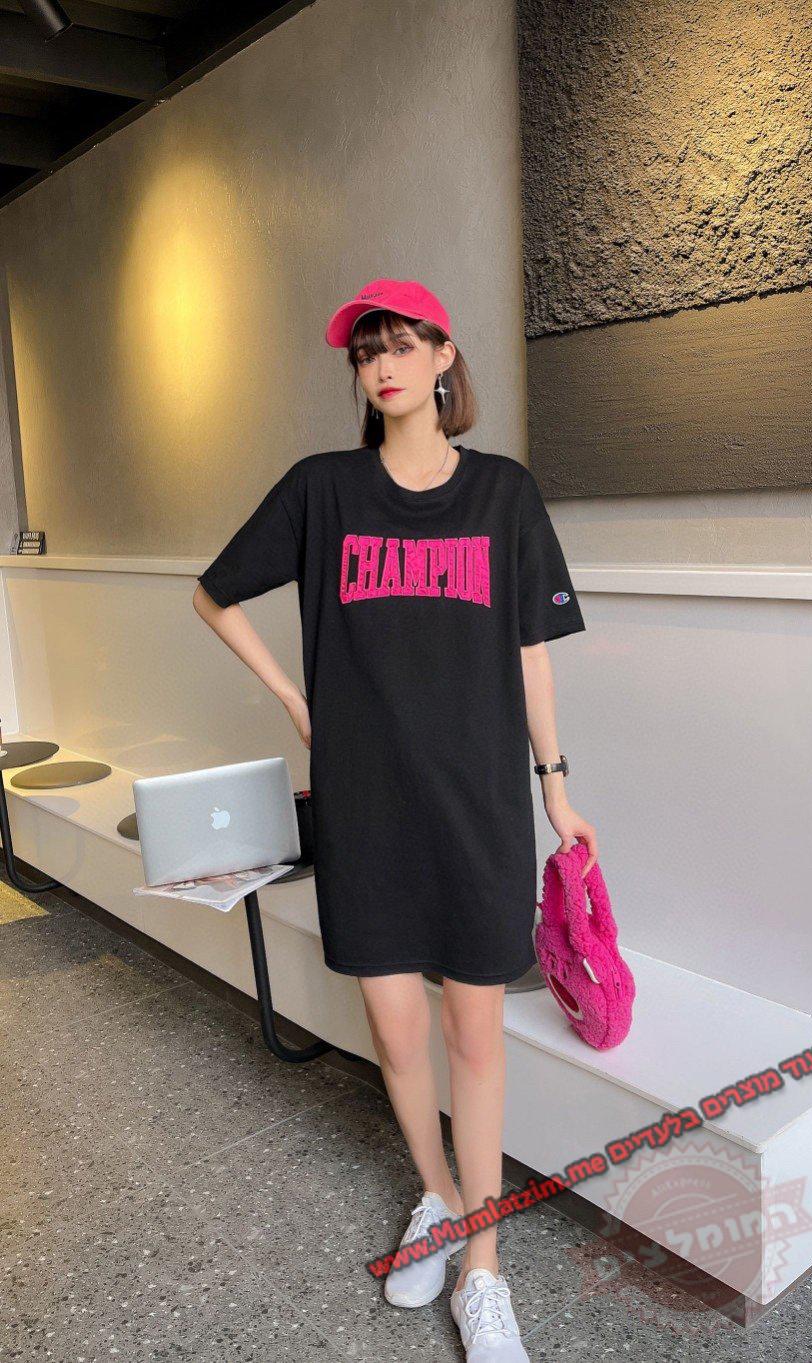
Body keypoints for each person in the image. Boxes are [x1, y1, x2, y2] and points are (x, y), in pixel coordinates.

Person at [193, 277, 598, 1361]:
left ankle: (483, 1266)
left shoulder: (502, 493)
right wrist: (296, 701)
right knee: (398, 1030)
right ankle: (438, 1198)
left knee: (474, 1033)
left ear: (443, 356)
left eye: (402, 344)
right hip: (365, 802)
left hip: (476, 802)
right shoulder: (321, 490)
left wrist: (554, 785)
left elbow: (530, 652)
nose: (382, 365)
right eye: (366, 350)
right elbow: (213, 592)